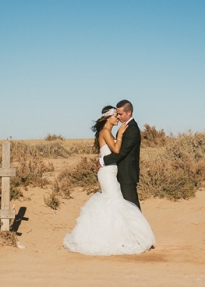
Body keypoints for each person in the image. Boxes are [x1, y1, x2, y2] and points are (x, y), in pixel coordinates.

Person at [62, 105, 155, 255]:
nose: (117, 118)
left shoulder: (108, 132)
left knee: (113, 202)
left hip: (111, 172)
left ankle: (121, 236)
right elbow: (117, 150)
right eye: (115, 115)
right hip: (107, 173)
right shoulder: (105, 132)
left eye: (119, 115)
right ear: (108, 118)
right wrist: (120, 134)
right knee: (114, 201)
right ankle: (122, 237)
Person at [100, 99, 142, 210]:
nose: (118, 117)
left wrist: (103, 160)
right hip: (120, 174)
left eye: (120, 114)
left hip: (127, 175)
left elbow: (122, 152)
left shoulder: (132, 129)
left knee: (133, 207)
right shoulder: (123, 128)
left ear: (129, 113)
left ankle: (139, 227)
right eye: (117, 114)